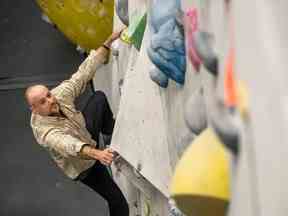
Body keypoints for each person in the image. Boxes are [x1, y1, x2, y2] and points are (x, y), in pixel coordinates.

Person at [25, 30, 129, 216]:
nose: (50, 101)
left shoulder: (57, 96)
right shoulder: (46, 133)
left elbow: (81, 75)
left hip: (85, 132)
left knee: (98, 98)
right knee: (118, 201)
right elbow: (70, 146)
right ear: (34, 110)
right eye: (42, 102)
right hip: (84, 163)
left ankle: (110, 135)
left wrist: (107, 42)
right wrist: (98, 154)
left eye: (48, 95)